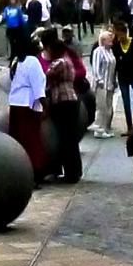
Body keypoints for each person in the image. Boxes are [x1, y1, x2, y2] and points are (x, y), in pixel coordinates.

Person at [42, 31, 85, 184]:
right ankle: (74, 171)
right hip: (71, 100)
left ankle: (70, 173)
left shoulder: (59, 63)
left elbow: (46, 77)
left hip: (62, 101)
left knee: (65, 138)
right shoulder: (68, 61)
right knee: (71, 138)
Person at [5, 40, 49, 176]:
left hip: (15, 103)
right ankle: (34, 170)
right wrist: (45, 106)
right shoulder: (33, 62)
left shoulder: (18, 61)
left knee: (18, 137)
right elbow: (38, 87)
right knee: (31, 140)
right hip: (28, 104)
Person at [88, 27, 120, 134]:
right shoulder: (98, 51)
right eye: (109, 39)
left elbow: (113, 67)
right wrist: (99, 80)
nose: (111, 41)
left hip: (110, 83)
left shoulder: (110, 51)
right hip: (101, 84)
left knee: (108, 107)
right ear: (103, 40)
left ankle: (105, 128)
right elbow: (96, 68)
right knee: (101, 107)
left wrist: (114, 80)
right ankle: (98, 128)